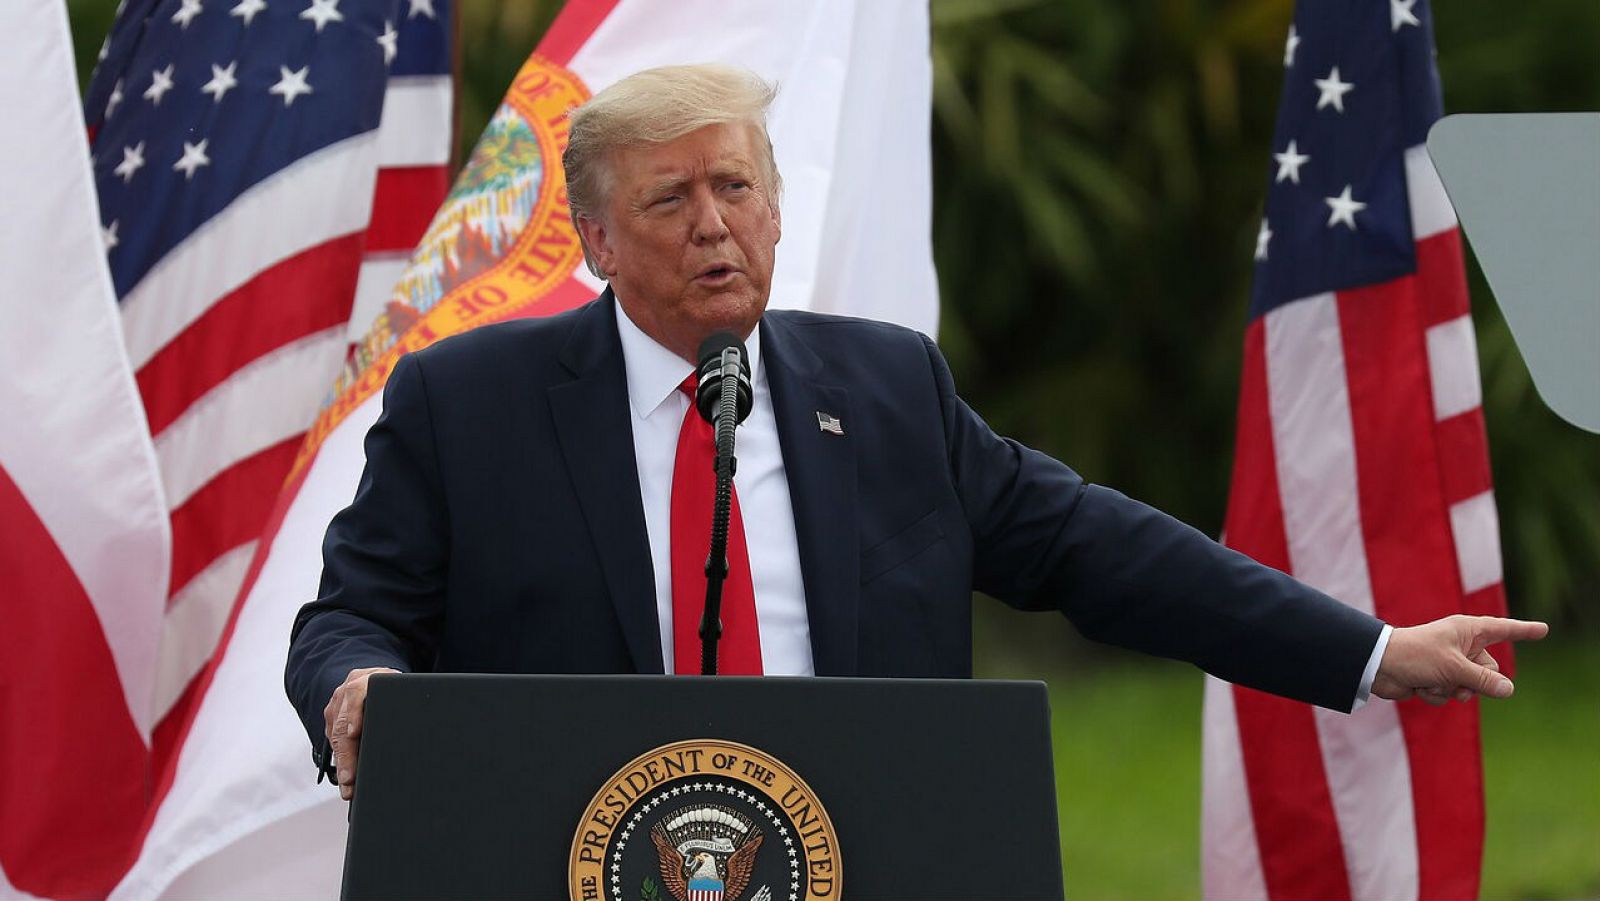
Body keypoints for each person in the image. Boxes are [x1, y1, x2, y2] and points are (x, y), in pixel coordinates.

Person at [285, 64, 1547, 802]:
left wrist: (1370, 648)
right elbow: (350, 614)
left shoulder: (883, 388)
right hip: (572, 846)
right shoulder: (469, 404)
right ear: (601, 246)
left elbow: (1096, 549)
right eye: (670, 200)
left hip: (854, 849)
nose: (714, 225)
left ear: (777, 210)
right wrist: (356, 687)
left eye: (738, 188)